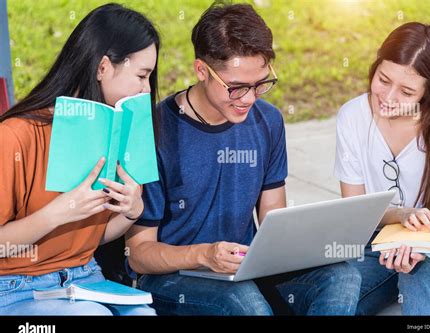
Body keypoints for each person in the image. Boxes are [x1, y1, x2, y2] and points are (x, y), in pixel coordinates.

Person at [126, 1, 361, 316]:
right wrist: (205, 255)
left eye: (260, 84)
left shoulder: (269, 121)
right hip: (172, 280)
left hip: (245, 270)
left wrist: (308, 244)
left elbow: (273, 220)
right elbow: (139, 254)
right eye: (236, 88)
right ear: (201, 70)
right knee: (243, 301)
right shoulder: (155, 132)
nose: (249, 98)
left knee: (343, 277)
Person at [0, 3, 160, 315]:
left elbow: (90, 237)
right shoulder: (16, 135)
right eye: (142, 75)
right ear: (103, 67)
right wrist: (56, 213)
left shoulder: (117, 131)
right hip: (15, 288)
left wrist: (132, 210)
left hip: (85, 278)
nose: (146, 89)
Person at [334, 22, 430, 315]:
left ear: (428, 91)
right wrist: (402, 216)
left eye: (407, 91)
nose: (389, 97)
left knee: (415, 275)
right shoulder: (352, 117)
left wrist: (417, 248)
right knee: (336, 294)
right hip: (377, 243)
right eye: (384, 80)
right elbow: (355, 209)